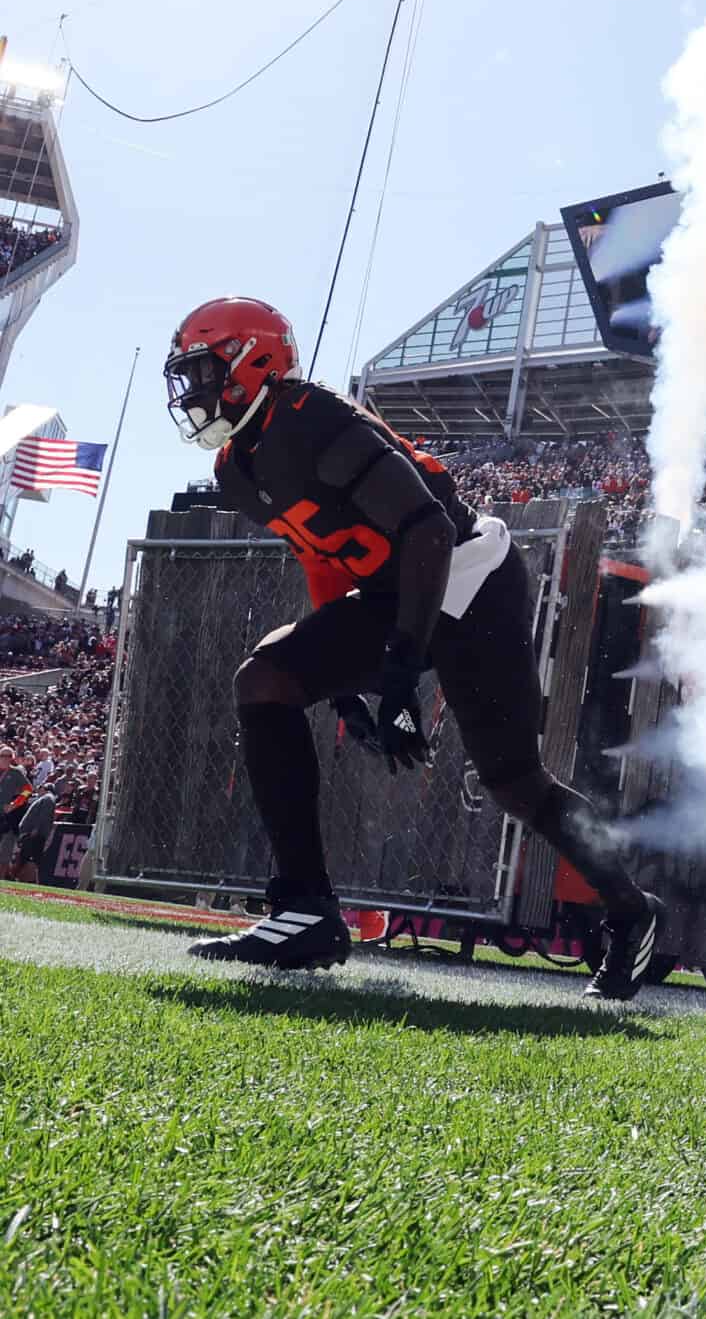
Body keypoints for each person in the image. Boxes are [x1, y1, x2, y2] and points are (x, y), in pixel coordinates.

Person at [164, 296, 664, 994]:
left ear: (254, 362)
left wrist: (400, 676)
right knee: (266, 679)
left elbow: (427, 528)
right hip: (391, 591)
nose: (194, 392)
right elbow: (323, 559)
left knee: (514, 780)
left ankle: (632, 909)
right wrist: (343, 692)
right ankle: (305, 905)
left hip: (467, 575)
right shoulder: (236, 467)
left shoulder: (313, 420)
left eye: (204, 372)